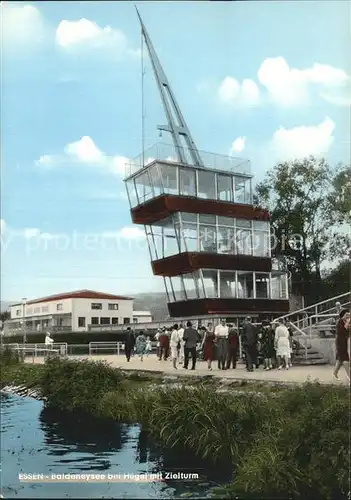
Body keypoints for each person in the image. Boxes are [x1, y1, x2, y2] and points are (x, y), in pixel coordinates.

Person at [333, 309, 350, 382]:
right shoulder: (339, 322)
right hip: (340, 343)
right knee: (345, 361)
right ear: (342, 315)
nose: (347, 316)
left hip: (344, 342)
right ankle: (349, 377)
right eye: (346, 315)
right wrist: (348, 321)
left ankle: (334, 373)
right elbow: (344, 329)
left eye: (348, 315)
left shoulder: (345, 322)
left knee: (339, 360)